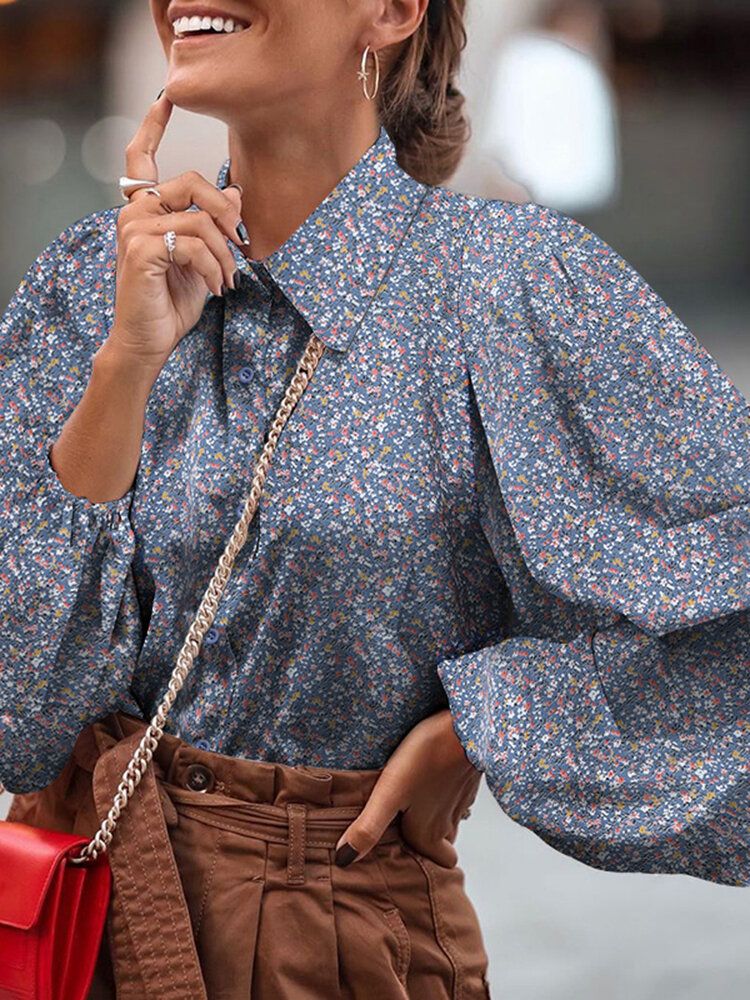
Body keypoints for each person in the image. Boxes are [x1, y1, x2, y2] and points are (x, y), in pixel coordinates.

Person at [0, 0, 748, 997]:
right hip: (74, 923)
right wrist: (126, 366)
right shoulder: (88, 288)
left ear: (391, 13)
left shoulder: (505, 288)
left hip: (333, 944)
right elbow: (19, 719)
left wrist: (494, 719)